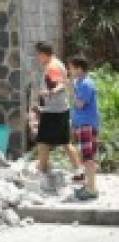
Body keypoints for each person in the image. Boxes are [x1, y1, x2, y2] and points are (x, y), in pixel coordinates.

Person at [34, 41, 81, 189]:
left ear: (43, 54)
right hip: (59, 109)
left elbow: (61, 84)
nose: (37, 58)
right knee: (65, 142)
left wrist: (49, 92)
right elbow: (65, 81)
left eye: (38, 55)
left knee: (43, 141)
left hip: (53, 111)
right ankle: (79, 171)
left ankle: (42, 171)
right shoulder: (56, 63)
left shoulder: (52, 66)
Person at [68, 55, 100, 201]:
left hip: (87, 124)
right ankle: (89, 186)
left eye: (72, 68)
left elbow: (80, 104)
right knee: (87, 156)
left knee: (88, 158)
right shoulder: (80, 82)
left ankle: (91, 189)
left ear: (79, 69)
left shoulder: (86, 84)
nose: (70, 71)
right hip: (84, 124)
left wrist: (70, 91)